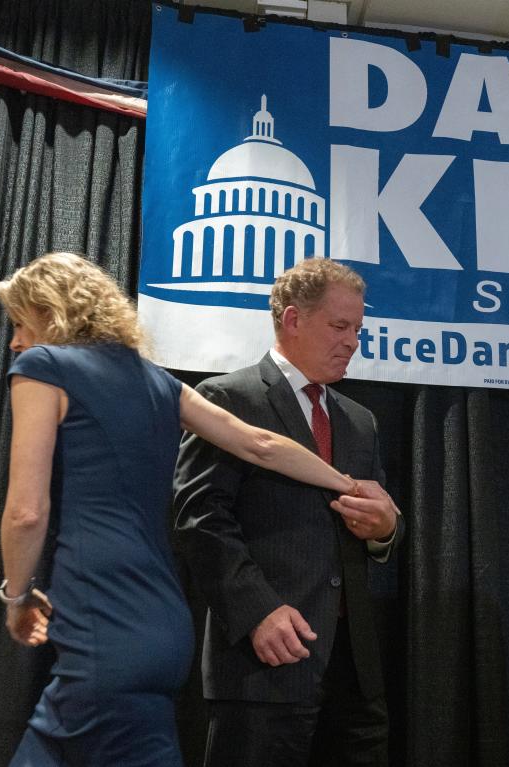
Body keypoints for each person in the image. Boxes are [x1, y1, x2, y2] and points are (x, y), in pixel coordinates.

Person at [0, 251, 362, 767]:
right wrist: (348, 484)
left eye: (19, 322)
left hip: (100, 610)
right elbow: (260, 444)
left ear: (51, 313)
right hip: (165, 627)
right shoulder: (157, 381)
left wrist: (16, 598)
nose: (14, 339)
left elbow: (26, 512)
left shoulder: (42, 366)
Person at [174, 258, 404, 767]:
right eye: (340, 326)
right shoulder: (227, 399)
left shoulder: (360, 421)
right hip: (265, 659)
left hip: (353, 667)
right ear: (294, 319)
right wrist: (257, 610)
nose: (352, 341)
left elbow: (380, 518)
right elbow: (199, 517)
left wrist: (385, 529)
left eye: (358, 330)